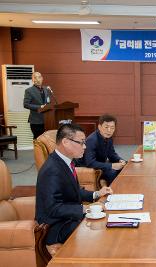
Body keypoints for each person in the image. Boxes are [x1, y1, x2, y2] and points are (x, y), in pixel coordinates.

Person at [35, 123, 113, 254]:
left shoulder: (65, 162)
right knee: (98, 230)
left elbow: (73, 192)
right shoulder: (52, 169)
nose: (85, 147)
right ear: (65, 142)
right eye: (81, 142)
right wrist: (86, 208)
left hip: (68, 219)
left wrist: (96, 194)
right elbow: (52, 208)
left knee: (104, 220)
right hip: (56, 227)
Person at [82, 114, 126, 187]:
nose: (109, 130)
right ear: (99, 127)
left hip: (101, 163)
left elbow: (111, 154)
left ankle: (105, 182)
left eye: (112, 128)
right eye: (106, 127)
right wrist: (112, 165)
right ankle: (110, 191)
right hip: (88, 166)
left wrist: (120, 160)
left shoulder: (109, 137)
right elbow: (89, 163)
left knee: (124, 168)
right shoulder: (92, 140)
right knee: (112, 172)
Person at [23, 72, 52, 139]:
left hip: (47, 120)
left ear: (42, 78)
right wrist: (39, 107)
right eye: (35, 77)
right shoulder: (29, 91)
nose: (37, 79)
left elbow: (49, 102)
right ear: (32, 80)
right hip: (36, 121)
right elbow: (26, 104)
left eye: (39, 77)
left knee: (47, 140)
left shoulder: (46, 89)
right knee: (38, 141)